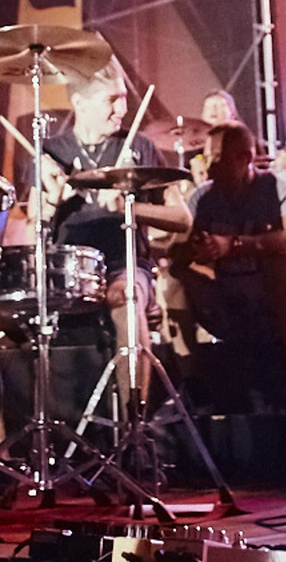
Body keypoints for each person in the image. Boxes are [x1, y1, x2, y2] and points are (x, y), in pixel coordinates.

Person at [34, 65, 187, 370]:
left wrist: (127, 208)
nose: (123, 109)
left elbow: (182, 219)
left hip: (126, 265)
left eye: (124, 98)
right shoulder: (52, 153)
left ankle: (135, 401)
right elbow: (32, 226)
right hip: (68, 270)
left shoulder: (140, 146)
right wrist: (51, 201)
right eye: (112, 99)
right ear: (80, 102)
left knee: (126, 299)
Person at [173, 121, 286, 407]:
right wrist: (197, 250)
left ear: (246, 158)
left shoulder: (278, 183)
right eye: (206, 157)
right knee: (174, 278)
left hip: (277, 304)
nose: (210, 166)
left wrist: (234, 245)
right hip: (229, 305)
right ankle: (189, 385)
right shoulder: (202, 197)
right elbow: (179, 252)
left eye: (217, 157)